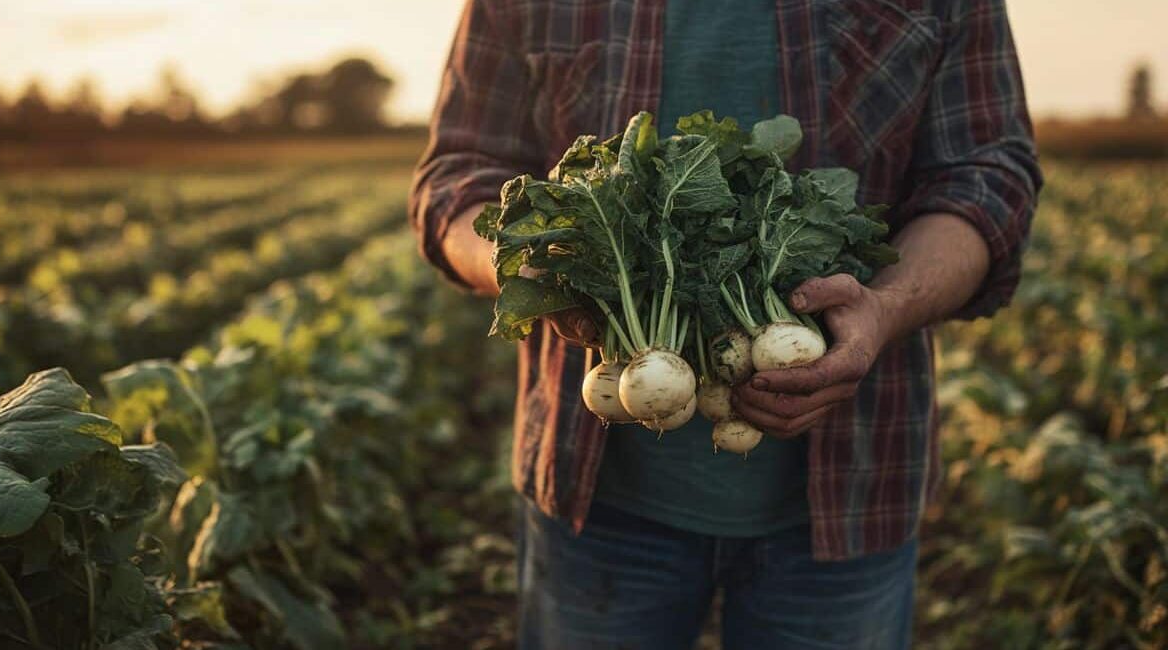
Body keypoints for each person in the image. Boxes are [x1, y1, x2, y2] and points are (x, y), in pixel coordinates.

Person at [409, 1, 1042, 647]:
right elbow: (457, 176)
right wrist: (540, 265)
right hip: (594, 494)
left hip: (855, 488)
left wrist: (883, 309)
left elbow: (985, 177)